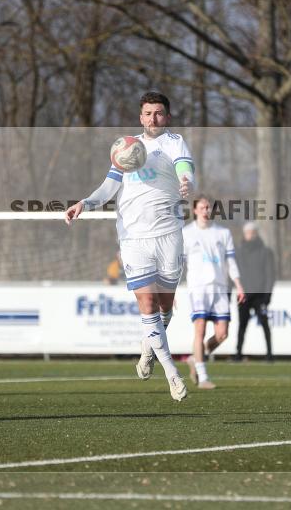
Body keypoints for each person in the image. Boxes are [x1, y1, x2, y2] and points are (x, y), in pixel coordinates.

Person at [65, 91, 194, 401]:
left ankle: (149, 345)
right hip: (133, 238)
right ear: (140, 117)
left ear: (167, 116)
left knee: (164, 311)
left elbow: (184, 168)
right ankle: (172, 375)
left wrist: (187, 181)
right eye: (148, 113)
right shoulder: (125, 148)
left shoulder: (174, 143)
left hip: (169, 235)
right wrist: (85, 202)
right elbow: (109, 186)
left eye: (159, 113)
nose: (153, 118)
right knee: (148, 306)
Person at [182, 195, 244, 389]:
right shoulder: (186, 233)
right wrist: (171, 287)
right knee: (199, 330)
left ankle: (195, 358)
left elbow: (230, 261)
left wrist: (238, 284)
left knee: (222, 334)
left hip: (220, 287)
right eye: (202, 207)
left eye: (208, 207)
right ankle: (203, 376)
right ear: (194, 210)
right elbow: (179, 264)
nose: (205, 211)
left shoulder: (222, 233)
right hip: (198, 287)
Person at [234, 222, 275, 362]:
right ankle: (238, 354)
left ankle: (269, 354)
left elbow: (270, 275)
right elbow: (234, 273)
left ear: (256, 234)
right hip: (243, 295)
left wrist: (267, 295)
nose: (250, 235)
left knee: (264, 324)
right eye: (248, 232)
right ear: (244, 234)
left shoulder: (265, 251)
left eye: (252, 232)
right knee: (242, 325)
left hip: (260, 296)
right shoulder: (238, 252)